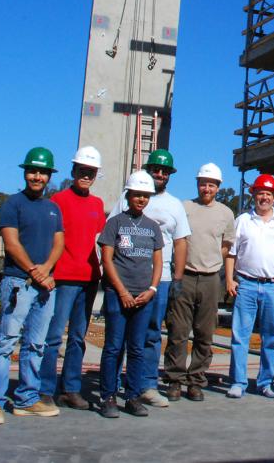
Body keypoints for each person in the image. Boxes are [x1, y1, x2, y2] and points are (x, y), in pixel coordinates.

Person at [0, 147, 65, 425]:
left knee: (36, 344)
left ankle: (27, 398)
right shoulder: (12, 204)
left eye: (42, 172)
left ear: (49, 176)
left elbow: (59, 243)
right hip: (18, 282)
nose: (37, 176)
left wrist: (47, 269)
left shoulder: (53, 209)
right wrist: (34, 270)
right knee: (5, 342)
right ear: (25, 173)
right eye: (33, 171)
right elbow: (11, 243)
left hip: (45, 286)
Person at [108, 148, 189, 407]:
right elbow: (110, 234)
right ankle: (114, 384)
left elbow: (180, 242)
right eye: (156, 169)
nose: (161, 174)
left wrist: (177, 277)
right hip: (126, 278)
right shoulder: (126, 198)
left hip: (159, 279)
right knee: (119, 337)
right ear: (148, 169)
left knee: (152, 333)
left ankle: (146, 385)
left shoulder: (174, 205)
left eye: (165, 171)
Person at [39, 146, 105, 410]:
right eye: (82, 170)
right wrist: (48, 271)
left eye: (91, 172)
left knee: (78, 337)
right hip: (63, 279)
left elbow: (101, 242)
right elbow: (48, 239)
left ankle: (71, 389)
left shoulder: (97, 204)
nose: (86, 175)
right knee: (54, 336)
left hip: (89, 279)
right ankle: (45, 389)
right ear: (74, 170)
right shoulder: (58, 201)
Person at [224, 173, 274, 399]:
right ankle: (238, 382)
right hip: (246, 284)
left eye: (268, 193)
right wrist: (229, 279)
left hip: (273, 287)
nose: (264, 197)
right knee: (240, 336)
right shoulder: (242, 221)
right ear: (253, 195)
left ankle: (266, 383)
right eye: (260, 193)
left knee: (271, 337)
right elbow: (231, 253)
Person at [163, 162, 235, 401]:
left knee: (205, 333)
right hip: (184, 276)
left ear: (218, 187)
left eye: (211, 185)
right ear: (198, 184)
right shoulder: (184, 207)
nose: (207, 188)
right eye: (203, 184)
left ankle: (196, 381)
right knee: (178, 332)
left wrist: (212, 262)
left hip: (210, 279)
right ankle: (174, 380)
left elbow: (226, 246)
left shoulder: (226, 213)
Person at [98, 171, 164, 418]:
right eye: (137, 195)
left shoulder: (152, 227)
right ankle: (108, 396)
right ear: (129, 195)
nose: (141, 200)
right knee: (114, 347)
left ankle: (133, 396)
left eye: (145, 196)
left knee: (136, 348)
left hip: (143, 297)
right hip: (118, 294)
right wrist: (122, 291)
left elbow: (158, 262)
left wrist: (152, 290)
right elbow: (107, 259)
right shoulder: (114, 223)